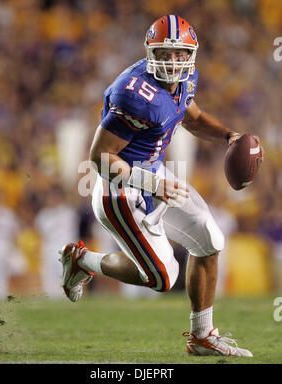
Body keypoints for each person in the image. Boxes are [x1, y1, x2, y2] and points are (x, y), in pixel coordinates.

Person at [59, 15, 263, 357]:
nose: (172, 62)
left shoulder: (185, 80)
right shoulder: (135, 94)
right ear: (150, 52)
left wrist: (229, 136)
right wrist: (150, 183)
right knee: (162, 278)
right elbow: (99, 157)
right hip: (119, 190)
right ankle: (82, 260)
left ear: (190, 54)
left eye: (179, 54)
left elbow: (193, 118)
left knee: (209, 238)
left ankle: (202, 336)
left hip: (154, 176)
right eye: (164, 53)